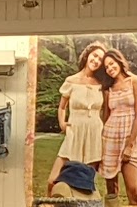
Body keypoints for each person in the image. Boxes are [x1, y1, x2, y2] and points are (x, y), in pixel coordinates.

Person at [47, 41, 110, 192]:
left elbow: (106, 111)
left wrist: (103, 130)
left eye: (100, 59)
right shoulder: (71, 81)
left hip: (94, 132)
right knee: (52, 181)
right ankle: (49, 206)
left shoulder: (101, 84)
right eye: (95, 56)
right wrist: (62, 123)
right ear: (87, 55)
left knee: (84, 183)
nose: (96, 60)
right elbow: (62, 107)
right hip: (74, 131)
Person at [98, 46, 137, 204]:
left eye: (112, 64)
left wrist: (130, 144)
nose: (110, 68)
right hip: (110, 137)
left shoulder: (135, 81)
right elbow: (106, 116)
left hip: (129, 137)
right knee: (111, 191)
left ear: (119, 61)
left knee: (134, 192)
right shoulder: (108, 88)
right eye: (106, 67)